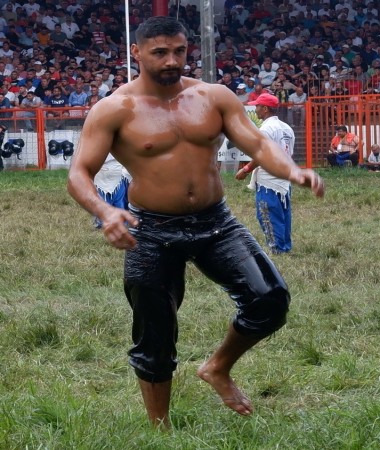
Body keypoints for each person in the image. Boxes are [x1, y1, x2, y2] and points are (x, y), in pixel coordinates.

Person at [66, 17, 324, 429]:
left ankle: (217, 367)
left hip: (214, 222)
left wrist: (292, 171)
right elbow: (79, 172)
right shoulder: (115, 108)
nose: (172, 60)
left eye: (180, 51)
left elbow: (256, 141)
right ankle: (160, 428)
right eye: (160, 52)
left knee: (269, 299)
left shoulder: (213, 96)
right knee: (155, 332)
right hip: (150, 230)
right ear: (137, 53)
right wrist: (105, 210)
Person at [234, 93, 297, 254]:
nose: (255, 109)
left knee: (267, 214)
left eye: (257, 106)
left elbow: (261, 155)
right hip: (284, 178)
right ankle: (285, 246)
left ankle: (277, 248)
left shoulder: (266, 129)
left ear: (265, 108)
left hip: (269, 180)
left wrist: (246, 170)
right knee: (283, 214)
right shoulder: (287, 128)